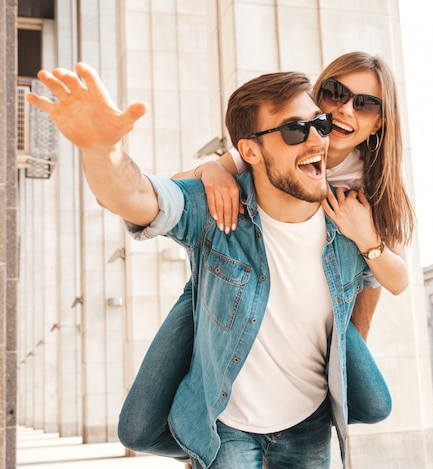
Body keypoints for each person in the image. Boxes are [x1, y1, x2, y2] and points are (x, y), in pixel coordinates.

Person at [27, 63, 378, 468]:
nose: (317, 137)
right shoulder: (217, 209)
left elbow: (378, 283)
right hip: (227, 429)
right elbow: (140, 197)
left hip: (309, 426)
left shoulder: (350, 220)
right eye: (294, 130)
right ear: (249, 151)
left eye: (319, 123)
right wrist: (102, 150)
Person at [116, 51, 412, 465]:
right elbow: (175, 193)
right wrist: (211, 169)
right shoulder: (289, 140)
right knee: (139, 423)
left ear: (380, 121)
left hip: (336, 304)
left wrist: (366, 241)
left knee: (375, 401)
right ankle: (201, 434)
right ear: (318, 94)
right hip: (232, 281)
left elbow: (387, 283)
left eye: (365, 103)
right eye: (336, 93)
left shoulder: (376, 188)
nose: (345, 109)